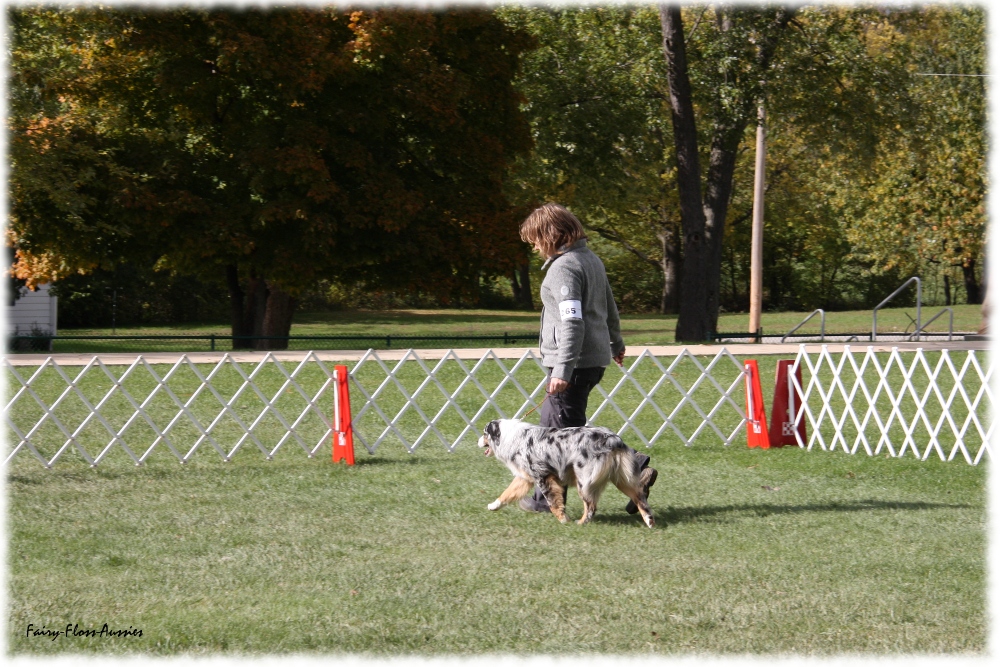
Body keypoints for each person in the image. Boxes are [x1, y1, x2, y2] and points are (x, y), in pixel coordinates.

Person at [517, 203, 657, 515]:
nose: (536, 247)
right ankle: (633, 467)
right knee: (565, 429)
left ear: (551, 235)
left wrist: (562, 368)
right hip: (592, 359)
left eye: (537, 239)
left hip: (574, 363)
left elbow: (572, 322)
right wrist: (616, 341)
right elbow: (609, 305)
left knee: (556, 436)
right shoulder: (590, 259)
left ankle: (547, 500)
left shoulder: (565, 268)